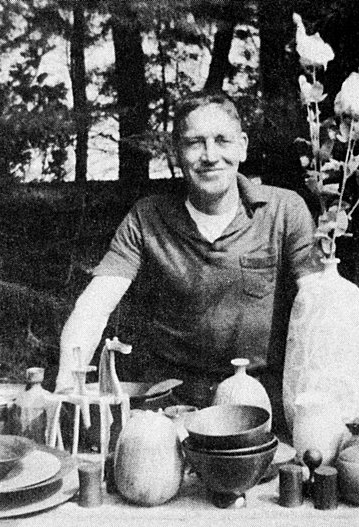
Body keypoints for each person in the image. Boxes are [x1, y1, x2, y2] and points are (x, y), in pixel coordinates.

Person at [56, 90, 315, 420]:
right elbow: (94, 306)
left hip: (260, 403)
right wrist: (66, 388)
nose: (210, 155)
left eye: (222, 140)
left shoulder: (284, 210)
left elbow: (319, 301)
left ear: (243, 146)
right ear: (176, 151)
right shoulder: (147, 217)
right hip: (172, 404)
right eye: (195, 143)